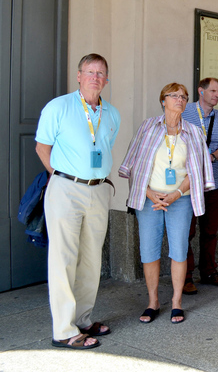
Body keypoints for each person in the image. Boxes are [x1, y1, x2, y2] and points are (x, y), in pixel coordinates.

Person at [35, 53, 121, 350]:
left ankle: (83, 319)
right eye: (91, 71)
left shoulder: (112, 113)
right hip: (66, 188)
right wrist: (61, 177)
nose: (96, 77)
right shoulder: (58, 107)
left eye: (101, 73)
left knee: (91, 258)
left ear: (106, 80)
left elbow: (103, 146)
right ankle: (63, 330)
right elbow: (42, 147)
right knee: (64, 258)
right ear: (79, 75)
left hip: (98, 190)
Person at [119, 83, 214, 325]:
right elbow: (133, 163)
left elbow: (198, 171)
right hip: (150, 198)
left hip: (179, 200)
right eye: (175, 96)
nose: (180, 100)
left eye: (184, 97)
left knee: (179, 252)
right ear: (163, 100)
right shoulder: (148, 127)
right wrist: (148, 192)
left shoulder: (193, 132)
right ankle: (153, 302)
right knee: (149, 252)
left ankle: (176, 302)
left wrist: (175, 194)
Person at [180, 77, 218, 295]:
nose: (216, 95)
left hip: (214, 180)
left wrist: (210, 157)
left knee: (210, 231)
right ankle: (186, 276)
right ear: (201, 91)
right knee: (187, 231)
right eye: (212, 91)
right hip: (190, 181)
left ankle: (209, 271)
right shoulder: (186, 112)